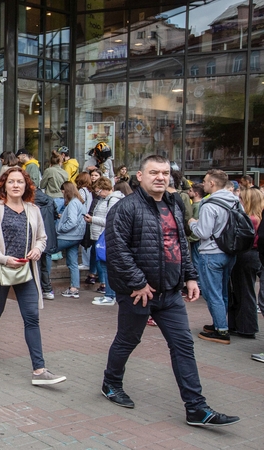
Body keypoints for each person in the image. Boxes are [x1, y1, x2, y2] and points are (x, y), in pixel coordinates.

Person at [102, 154, 239, 427]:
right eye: (154, 172)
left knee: (183, 345)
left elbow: (180, 244)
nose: (160, 177)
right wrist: (138, 282)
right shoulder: (125, 208)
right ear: (140, 176)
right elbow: (117, 250)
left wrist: (190, 277)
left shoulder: (174, 204)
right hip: (138, 293)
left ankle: (196, 408)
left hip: (171, 293)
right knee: (128, 340)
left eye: (164, 173)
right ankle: (111, 383)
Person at [0, 167, 66, 385]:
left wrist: (38, 250)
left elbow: (42, 237)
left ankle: (39, 370)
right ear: (4, 185)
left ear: (26, 186)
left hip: (26, 271)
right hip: (0, 270)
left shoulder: (33, 209)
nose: (16, 185)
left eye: (20, 182)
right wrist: (4, 259)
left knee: (32, 317)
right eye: (11, 181)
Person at [188, 169, 238, 345]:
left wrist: (192, 223)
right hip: (229, 251)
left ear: (212, 183)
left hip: (211, 253)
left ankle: (221, 330)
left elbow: (203, 232)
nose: (203, 184)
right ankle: (220, 322)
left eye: (205, 181)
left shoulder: (209, 205)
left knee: (212, 293)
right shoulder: (235, 201)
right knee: (223, 292)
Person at [228, 187, 263, 338]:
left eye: (242, 198)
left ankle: (246, 328)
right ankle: (243, 325)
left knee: (244, 291)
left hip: (246, 256)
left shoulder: (250, 219)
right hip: (255, 256)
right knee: (246, 291)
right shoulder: (259, 218)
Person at [85, 177, 124, 306]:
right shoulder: (106, 199)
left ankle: (110, 295)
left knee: (106, 266)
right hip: (103, 234)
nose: (98, 194)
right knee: (104, 265)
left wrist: (93, 219)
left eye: (99, 191)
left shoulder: (112, 200)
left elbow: (110, 220)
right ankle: (109, 294)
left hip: (106, 235)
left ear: (105, 189)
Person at [56, 181, 86, 299]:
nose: (62, 194)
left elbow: (72, 222)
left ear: (66, 191)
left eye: (63, 191)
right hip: (77, 236)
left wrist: (61, 228)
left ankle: (45, 286)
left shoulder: (73, 203)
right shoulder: (79, 202)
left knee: (47, 251)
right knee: (73, 263)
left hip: (68, 236)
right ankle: (74, 288)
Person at [34, 189, 57, 300]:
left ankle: (37, 290)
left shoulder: (29, 202)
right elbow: (55, 215)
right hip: (48, 236)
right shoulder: (50, 200)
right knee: (44, 265)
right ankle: (47, 290)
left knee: (36, 265)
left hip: (36, 237)